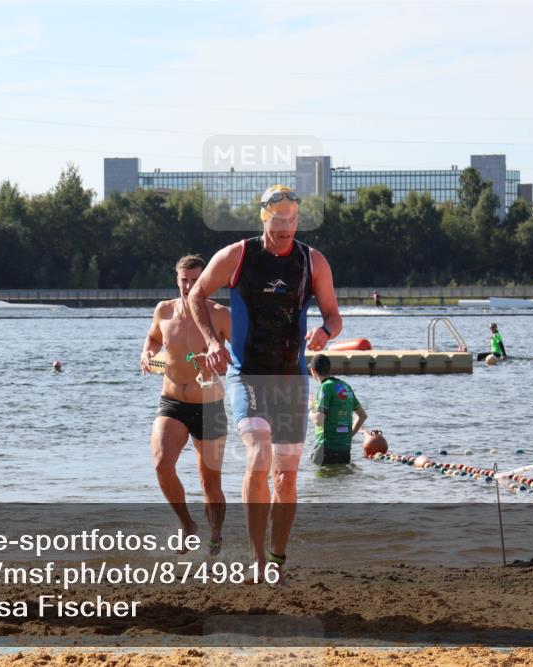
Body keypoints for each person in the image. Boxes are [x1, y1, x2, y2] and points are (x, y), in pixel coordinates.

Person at [188, 184, 342, 580]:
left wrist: (326, 332)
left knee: (286, 479)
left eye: (293, 220)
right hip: (248, 374)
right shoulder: (238, 255)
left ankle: (276, 559)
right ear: (264, 219)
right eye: (279, 221)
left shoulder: (313, 262)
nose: (286, 228)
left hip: (291, 378)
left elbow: (333, 315)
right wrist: (212, 342)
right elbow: (196, 296)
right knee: (259, 454)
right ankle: (257, 561)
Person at [141, 255, 232, 555]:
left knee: (210, 484)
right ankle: (187, 525)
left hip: (210, 405)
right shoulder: (164, 310)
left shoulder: (220, 315)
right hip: (172, 402)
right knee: (161, 464)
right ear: (177, 280)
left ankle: (216, 533)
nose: (190, 286)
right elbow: (153, 339)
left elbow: (240, 360)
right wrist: (147, 354)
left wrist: (218, 364)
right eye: (185, 280)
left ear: (206, 281)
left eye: (196, 280)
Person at [308, 354, 367, 465]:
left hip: (325, 448)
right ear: (329, 369)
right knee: (341, 475)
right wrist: (349, 436)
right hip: (344, 450)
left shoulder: (325, 387)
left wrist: (310, 411)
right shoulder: (346, 386)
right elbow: (362, 416)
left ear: (313, 371)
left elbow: (318, 421)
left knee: (320, 476)